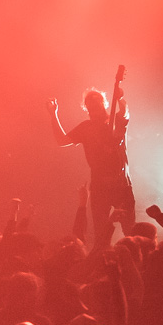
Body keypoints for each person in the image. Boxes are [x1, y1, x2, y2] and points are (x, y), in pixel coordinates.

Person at [47, 86, 135, 250]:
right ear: (86, 107)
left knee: (130, 231)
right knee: (101, 233)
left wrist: (120, 98)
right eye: (90, 104)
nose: (93, 106)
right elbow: (62, 140)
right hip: (100, 186)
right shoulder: (86, 128)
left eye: (97, 102)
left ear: (104, 103)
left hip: (121, 184)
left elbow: (124, 113)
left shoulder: (115, 121)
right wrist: (54, 115)